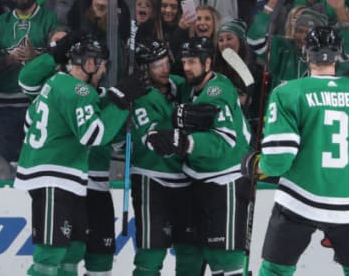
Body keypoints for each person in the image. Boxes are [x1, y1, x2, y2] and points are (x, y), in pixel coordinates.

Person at [244, 26, 349, 276]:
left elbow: (278, 161)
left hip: (298, 202)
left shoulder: (287, 92)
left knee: (275, 271)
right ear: (338, 55)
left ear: (305, 53)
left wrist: (256, 167)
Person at [13, 33, 146, 276]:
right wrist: (119, 101)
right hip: (54, 174)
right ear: (89, 63)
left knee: (71, 250)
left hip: (65, 176)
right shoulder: (77, 91)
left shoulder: (55, 84)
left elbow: (29, 121)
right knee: (49, 256)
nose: (104, 69)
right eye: (101, 63)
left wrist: (116, 101)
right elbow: (93, 136)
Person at [146, 37, 251, 276]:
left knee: (225, 258)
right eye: (183, 61)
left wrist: (186, 141)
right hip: (194, 183)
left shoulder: (219, 90)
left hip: (225, 182)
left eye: (192, 62)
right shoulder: (189, 87)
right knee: (188, 253)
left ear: (208, 63)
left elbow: (225, 140)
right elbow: (173, 84)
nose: (186, 67)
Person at [130, 39, 215, 276]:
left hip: (186, 179)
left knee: (191, 252)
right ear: (144, 69)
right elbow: (157, 140)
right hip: (152, 180)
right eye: (157, 65)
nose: (165, 68)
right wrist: (181, 117)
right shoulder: (139, 97)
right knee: (151, 255)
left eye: (166, 61)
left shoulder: (180, 85)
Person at [0, 0, 57, 163]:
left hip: (40, 106)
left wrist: (36, 57)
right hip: (6, 108)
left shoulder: (50, 19)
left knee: (36, 162)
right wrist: (8, 60)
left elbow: (60, 60)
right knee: (4, 163)